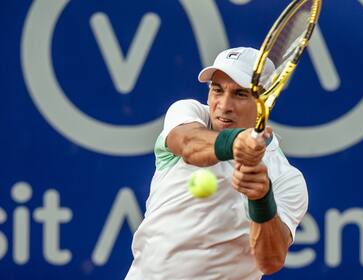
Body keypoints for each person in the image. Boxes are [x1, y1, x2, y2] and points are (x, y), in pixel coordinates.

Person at [125, 47, 308, 280]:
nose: (223, 105)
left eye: (240, 94)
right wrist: (237, 142)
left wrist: (261, 199)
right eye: (217, 90)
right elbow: (189, 144)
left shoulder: (286, 178)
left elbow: (270, 261)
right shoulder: (188, 113)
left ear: (266, 100)